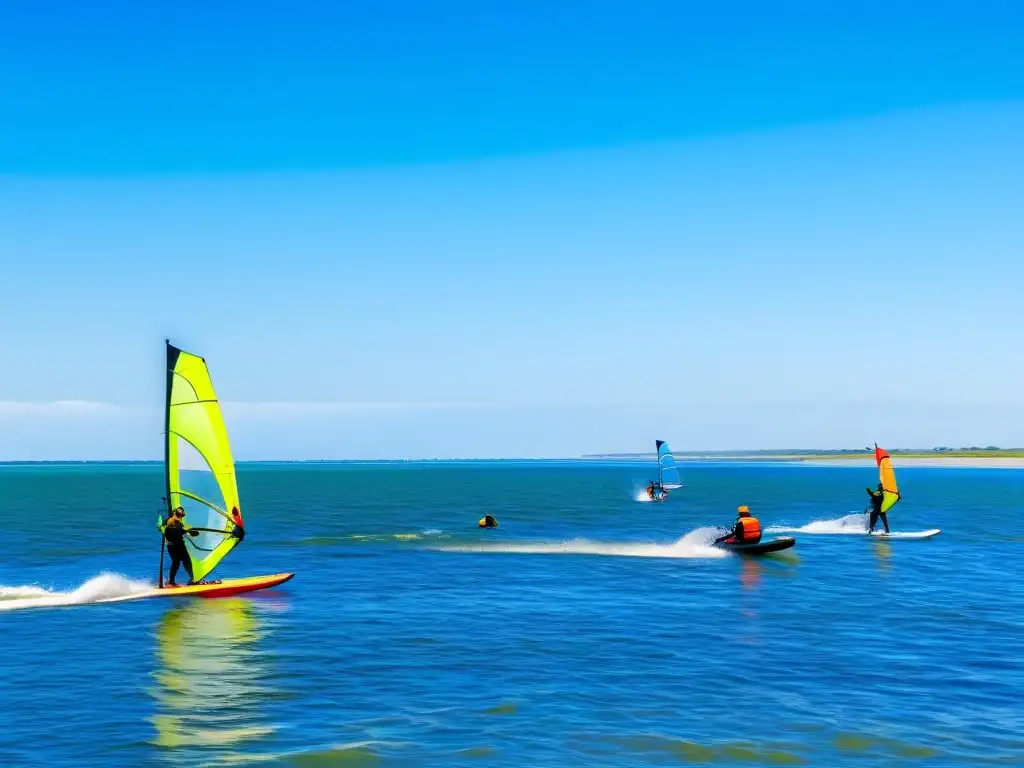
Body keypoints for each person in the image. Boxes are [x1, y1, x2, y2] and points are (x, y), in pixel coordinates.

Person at [158, 506, 199, 586]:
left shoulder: (180, 523)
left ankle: (193, 579)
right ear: (174, 513)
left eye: (181, 515)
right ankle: (171, 581)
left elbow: (181, 531)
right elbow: (166, 529)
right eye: (179, 514)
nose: (180, 517)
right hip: (172, 547)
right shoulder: (169, 521)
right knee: (176, 562)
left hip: (180, 546)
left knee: (187, 562)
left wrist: (188, 531)